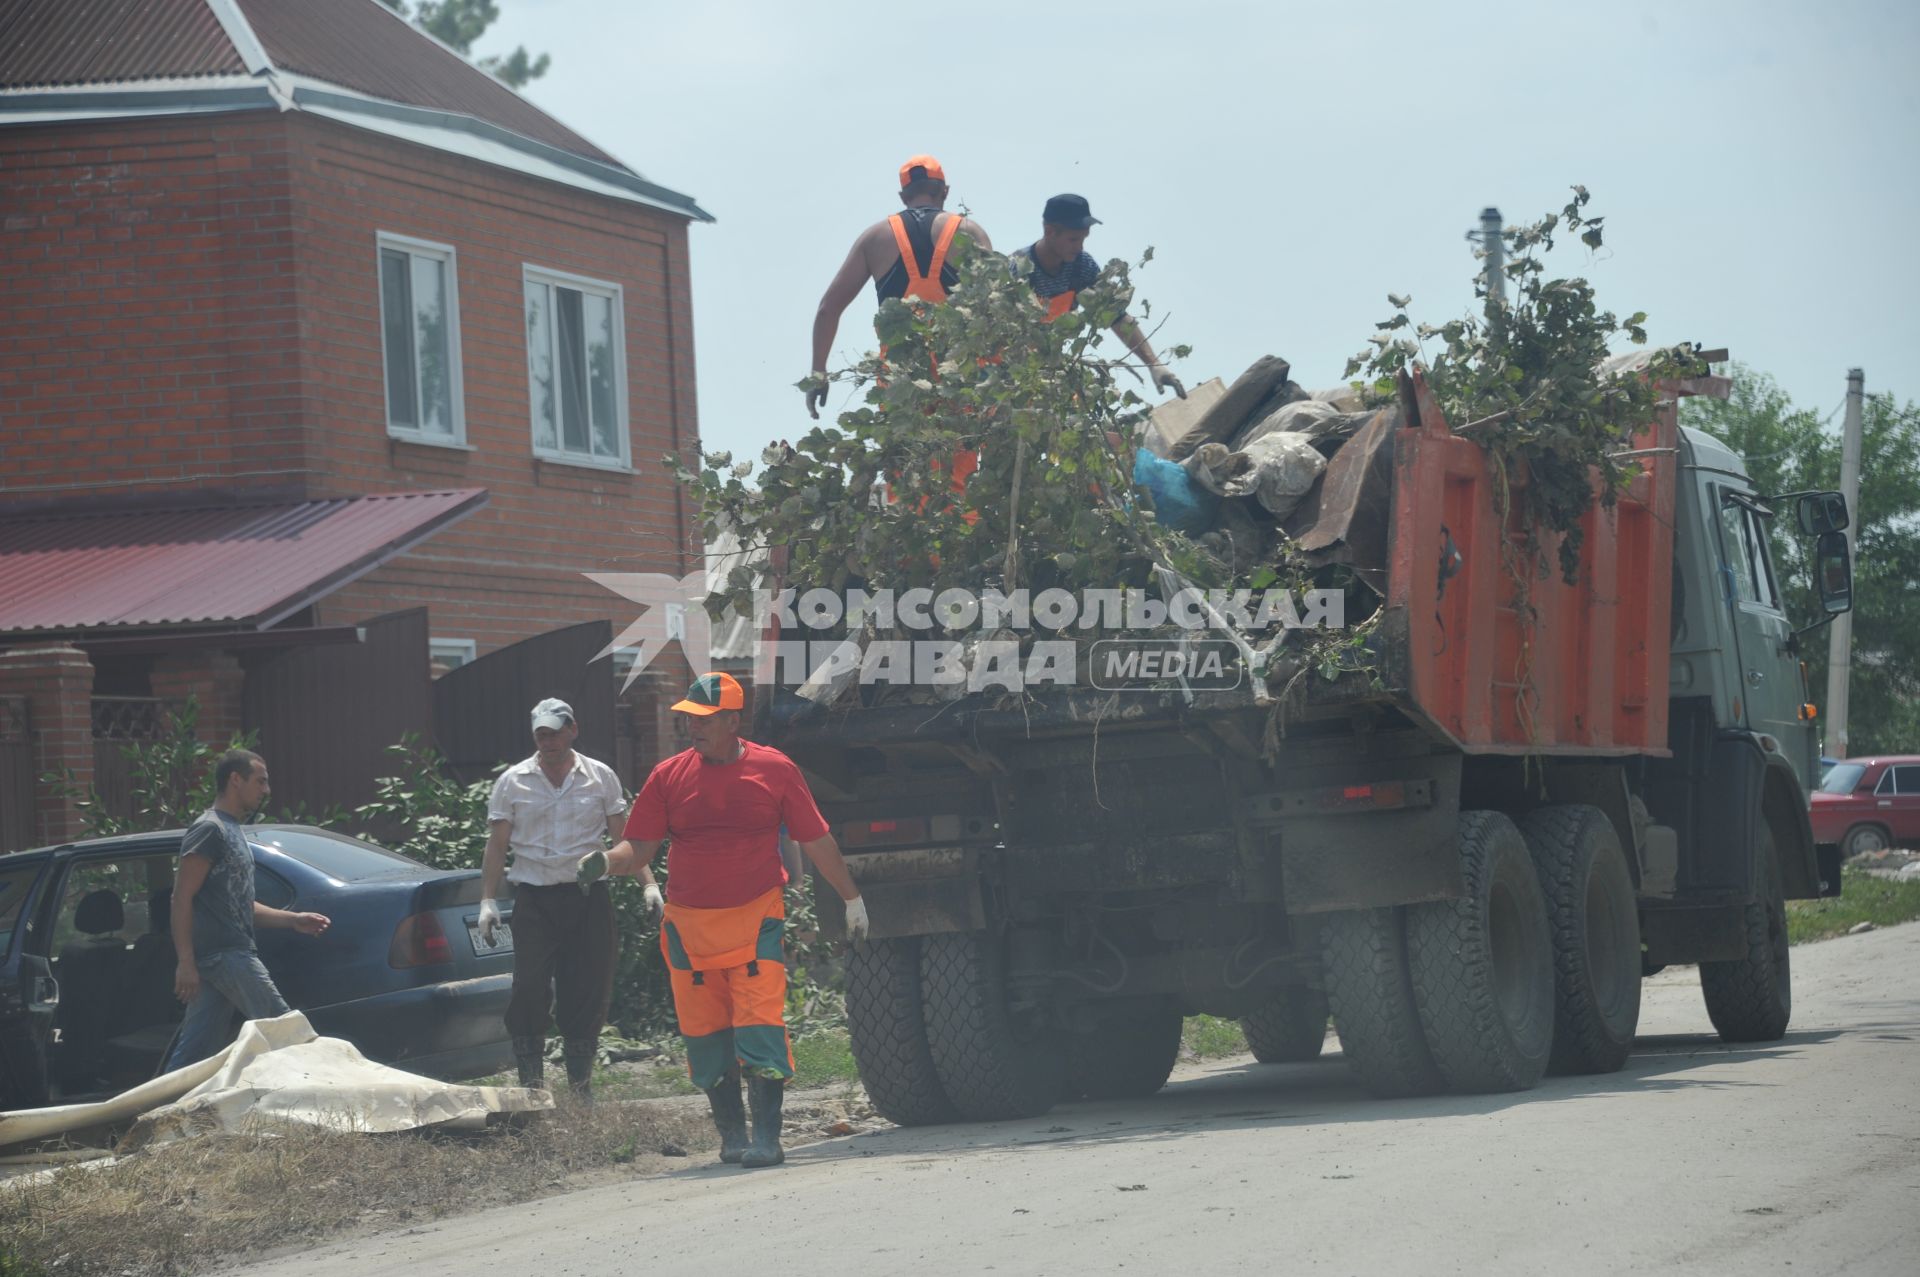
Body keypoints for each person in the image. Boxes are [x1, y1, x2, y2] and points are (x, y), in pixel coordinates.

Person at [578, 673, 869, 1169]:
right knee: (706, 1034)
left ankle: (767, 1138)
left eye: (705, 719)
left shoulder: (774, 770)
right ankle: (732, 1135)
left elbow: (816, 839)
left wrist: (852, 898)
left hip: (756, 918)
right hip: (689, 928)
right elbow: (640, 846)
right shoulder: (668, 776)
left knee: (760, 1027)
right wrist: (608, 862)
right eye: (690, 718)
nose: (694, 727)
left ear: (734, 721)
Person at [478, 698, 628, 1100]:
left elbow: (624, 841)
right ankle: (532, 1088)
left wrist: (648, 884)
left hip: (586, 896)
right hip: (535, 899)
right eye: (541, 734)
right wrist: (487, 900)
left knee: (586, 987)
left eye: (555, 732)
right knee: (529, 987)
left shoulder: (600, 777)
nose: (548, 741)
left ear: (572, 730)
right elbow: (497, 846)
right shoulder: (513, 781)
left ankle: (580, 1088)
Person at [165, 749, 330, 1071]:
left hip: (225, 957)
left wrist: (293, 920)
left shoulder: (232, 830)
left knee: (194, 1056)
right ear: (235, 780)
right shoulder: (209, 830)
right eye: (260, 781)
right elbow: (181, 897)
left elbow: (238, 903)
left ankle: (158, 1113)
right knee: (287, 1029)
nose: (266, 791)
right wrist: (185, 963)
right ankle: (329, 1098)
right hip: (225, 955)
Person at [805, 154, 993, 419]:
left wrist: (818, 373)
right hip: (960, 380)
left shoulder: (874, 238)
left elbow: (828, 309)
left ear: (903, 196)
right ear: (945, 191)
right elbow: (996, 306)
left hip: (900, 383)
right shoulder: (969, 232)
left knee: (903, 457)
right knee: (960, 455)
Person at [1010, 193, 1186, 398]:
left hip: (1048, 364)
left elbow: (1116, 316)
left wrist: (1153, 364)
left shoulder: (1081, 266)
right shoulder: (1018, 269)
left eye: (1084, 239)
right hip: (1010, 367)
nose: (1080, 247)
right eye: (1073, 239)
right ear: (1049, 232)